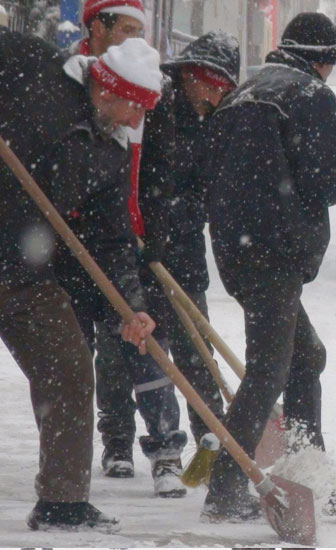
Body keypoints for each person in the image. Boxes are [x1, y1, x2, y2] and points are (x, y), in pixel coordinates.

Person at [0, 28, 158, 531]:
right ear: (110, 92)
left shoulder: (109, 152)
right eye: (137, 108)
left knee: (69, 370)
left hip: (25, 273)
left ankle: (62, 502)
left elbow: (112, 241)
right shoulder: (36, 70)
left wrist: (130, 306)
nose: (140, 121)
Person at [201, 12, 336, 521]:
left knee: (305, 357)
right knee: (269, 369)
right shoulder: (307, 94)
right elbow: (330, 178)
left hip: (239, 252)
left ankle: (306, 470)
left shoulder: (241, 94)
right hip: (277, 253)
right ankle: (225, 486)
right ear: (323, 59)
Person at [64, 0, 187, 496]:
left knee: (142, 342)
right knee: (80, 353)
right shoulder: (70, 84)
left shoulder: (149, 87)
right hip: (71, 240)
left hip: (130, 238)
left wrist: (152, 232)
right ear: (98, 27)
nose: (135, 40)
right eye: (126, 29)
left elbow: (162, 168)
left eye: (141, 30)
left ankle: (166, 452)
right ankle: (110, 445)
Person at [157, 30, 240, 447]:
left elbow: (205, 186)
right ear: (190, 74)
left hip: (185, 248)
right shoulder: (157, 107)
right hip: (142, 245)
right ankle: (123, 441)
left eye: (223, 88)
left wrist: (190, 210)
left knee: (195, 345)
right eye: (211, 83)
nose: (215, 95)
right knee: (137, 351)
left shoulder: (215, 121)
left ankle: (210, 431)